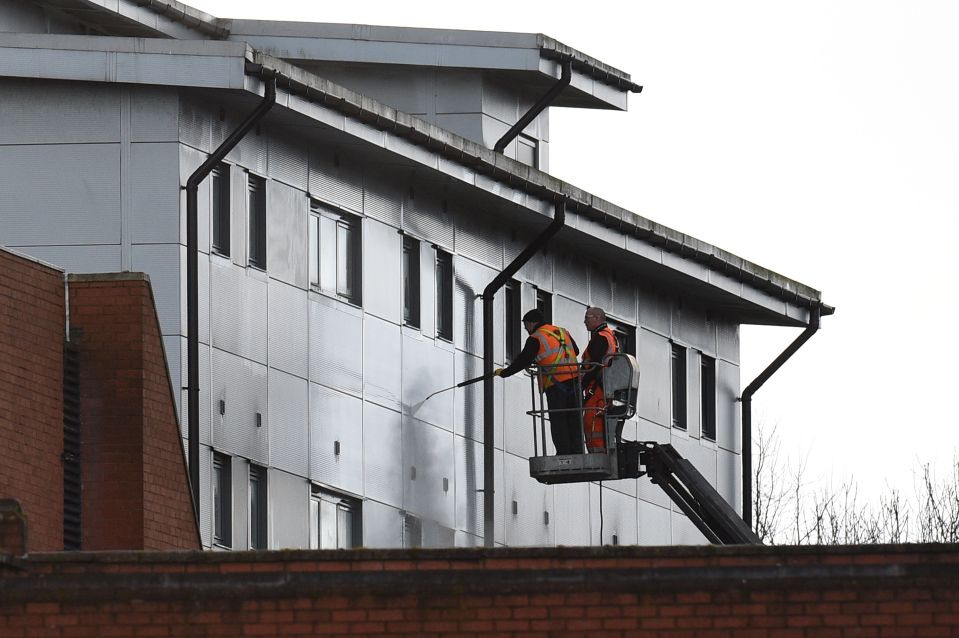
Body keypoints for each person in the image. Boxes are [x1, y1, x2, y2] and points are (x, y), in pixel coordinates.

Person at [494, 309, 583, 455]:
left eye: (526, 325)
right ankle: (578, 453)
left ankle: (564, 454)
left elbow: (522, 361)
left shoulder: (536, 338)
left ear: (531, 323)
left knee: (558, 421)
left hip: (556, 385)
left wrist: (504, 373)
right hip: (575, 384)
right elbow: (576, 350)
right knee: (574, 419)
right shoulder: (562, 331)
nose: (525, 329)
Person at [581, 307, 618, 453]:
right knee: (595, 421)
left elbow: (594, 365)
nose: (584, 322)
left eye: (587, 318)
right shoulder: (608, 336)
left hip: (596, 389)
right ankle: (599, 453)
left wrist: (581, 384)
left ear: (597, 318)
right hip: (601, 388)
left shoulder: (601, 337)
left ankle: (598, 454)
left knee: (592, 421)